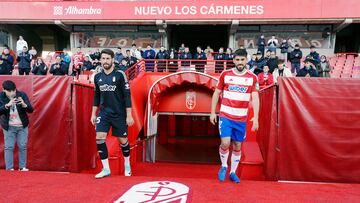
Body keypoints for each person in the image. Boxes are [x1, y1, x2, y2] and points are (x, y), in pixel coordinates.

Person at [210, 48, 260, 184]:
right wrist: (212, 112)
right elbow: (216, 93)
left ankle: (233, 172)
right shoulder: (225, 74)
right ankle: (224, 166)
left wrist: (256, 117)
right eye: (237, 60)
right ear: (233, 60)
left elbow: (255, 98)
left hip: (241, 118)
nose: (239, 62)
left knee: (237, 146)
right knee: (225, 143)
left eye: (242, 60)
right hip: (225, 116)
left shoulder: (252, 77)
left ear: (246, 60)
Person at [91, 49, 134, 179]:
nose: (105, 61)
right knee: (99, 137)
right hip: (104, 113)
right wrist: (93, 114)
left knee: (123, 141)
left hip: (119, 114)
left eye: (107, 59)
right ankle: (106, 169)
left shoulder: (120, 75)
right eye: (103, 59)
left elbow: (127, 96)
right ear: (100, 60)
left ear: (112, 60)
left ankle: (127, 164)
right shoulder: (97, 77)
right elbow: (96, 96)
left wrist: (129, 115)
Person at [0, 80, 34, 171]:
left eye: (13, 91)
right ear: (4, 90)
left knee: (22, 146)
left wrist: (24, 105)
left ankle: (22, 167)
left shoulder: (22, 95)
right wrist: (7, 105)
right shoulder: (1, 97)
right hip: (9, 126)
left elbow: (31, 110)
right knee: (9, 147)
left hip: (22, 126)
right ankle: (9, 168)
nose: (12, 93)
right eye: (9, 91)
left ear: (15, 89)